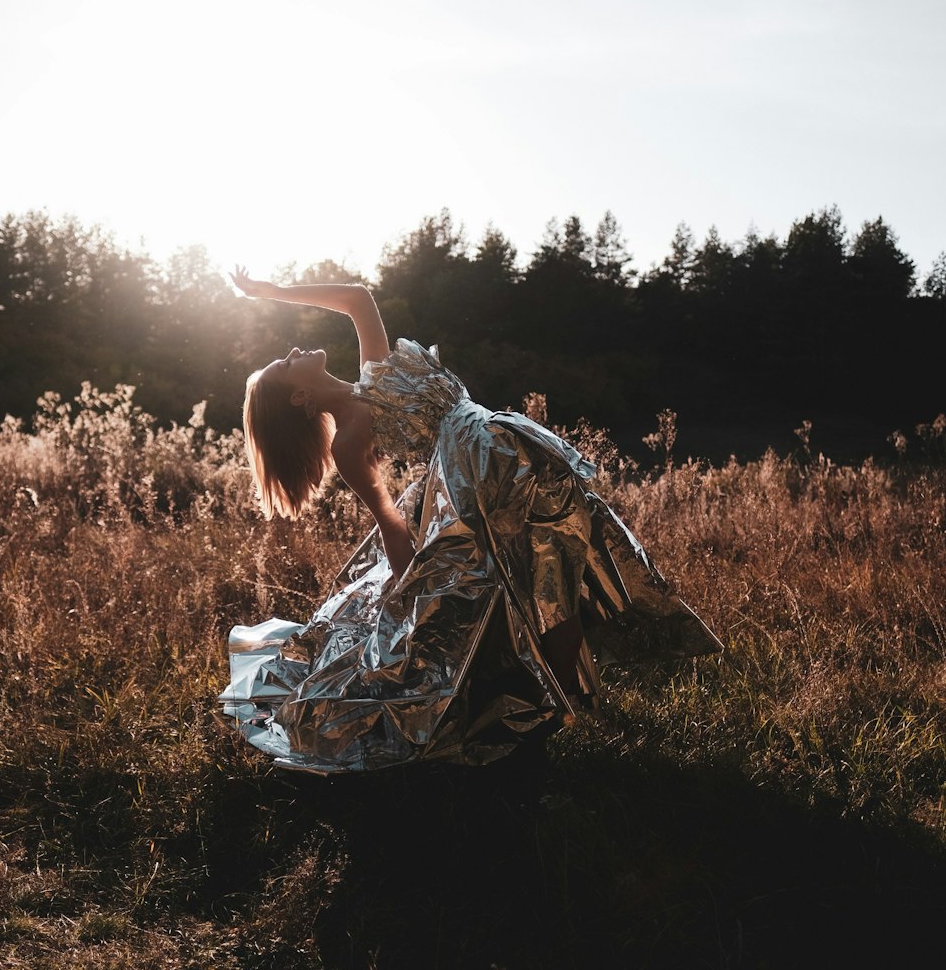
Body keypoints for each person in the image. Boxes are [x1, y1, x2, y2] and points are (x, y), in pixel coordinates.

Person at [221, 269, 722, 774]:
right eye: (285, 367)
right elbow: (391, 523)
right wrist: (408, 600)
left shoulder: (375, 372)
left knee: (559, 569)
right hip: (476, 484)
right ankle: (552, 724)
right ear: (298, 399)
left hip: (511, 445)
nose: (291, 352)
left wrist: (271, 292)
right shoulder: (348, 443)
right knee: (539, 588)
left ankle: (557, 717)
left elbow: (358, 298)